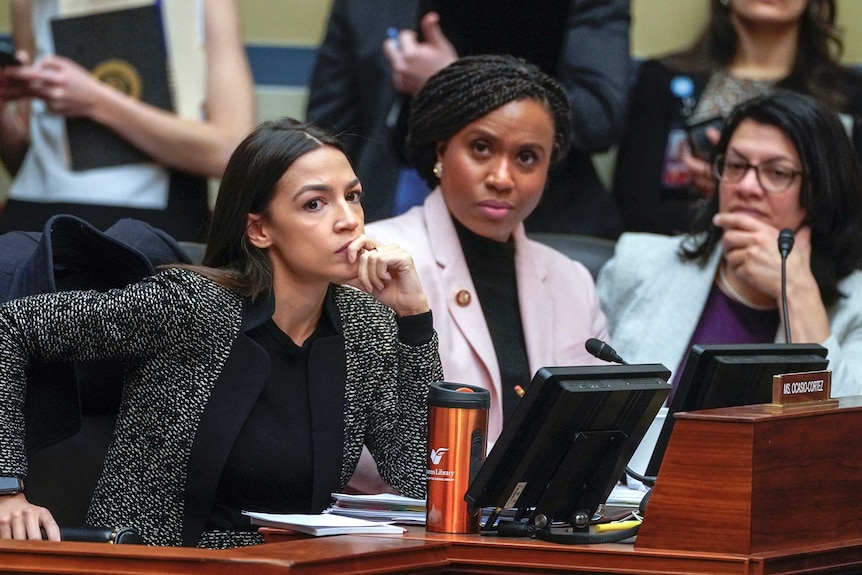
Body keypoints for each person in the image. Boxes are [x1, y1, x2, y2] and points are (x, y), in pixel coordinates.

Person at [0, 118, 443, 548]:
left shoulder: (367, 325)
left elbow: (415, 473)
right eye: (315, 203)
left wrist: (414, 319)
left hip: (291, 564)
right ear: (260, 229)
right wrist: (7, 488)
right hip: (159, 564)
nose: (348, 220)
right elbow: (10, 327)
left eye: (353, 196)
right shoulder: (189, 306)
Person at [368, 54, 609, 448]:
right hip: (404, 506)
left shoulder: (572, 281)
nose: (501, 178)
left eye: (527, 158)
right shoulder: (378, 257)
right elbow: (354, 443)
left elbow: (592, 430)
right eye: (481, 148)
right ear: (441, 152)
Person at [599, 90, 862, 399]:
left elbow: (845, 434)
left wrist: (793, 287)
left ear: (821, 192)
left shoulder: (856, 305)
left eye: (777, 172)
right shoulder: (639, 262)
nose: (747, 187)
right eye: (736, 166)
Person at [307, 0, 630, 238]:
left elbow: (598, 116)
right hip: (382, 215)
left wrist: (452, 80)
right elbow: (328, 130)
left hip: (537, 229)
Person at [0, 0, 255, 241]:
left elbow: (231, 152)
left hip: (149, 227)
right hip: (34, 219)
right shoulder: (29, 4)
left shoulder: (207, 5)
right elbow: (26, 160)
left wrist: (96, 101)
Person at [613, 0, 862, 235]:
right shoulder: (661, 80)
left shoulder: (849, 95)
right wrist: (726, 196)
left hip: (807, 263)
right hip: (681, 254)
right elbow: (634, 208)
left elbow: (851, 219)